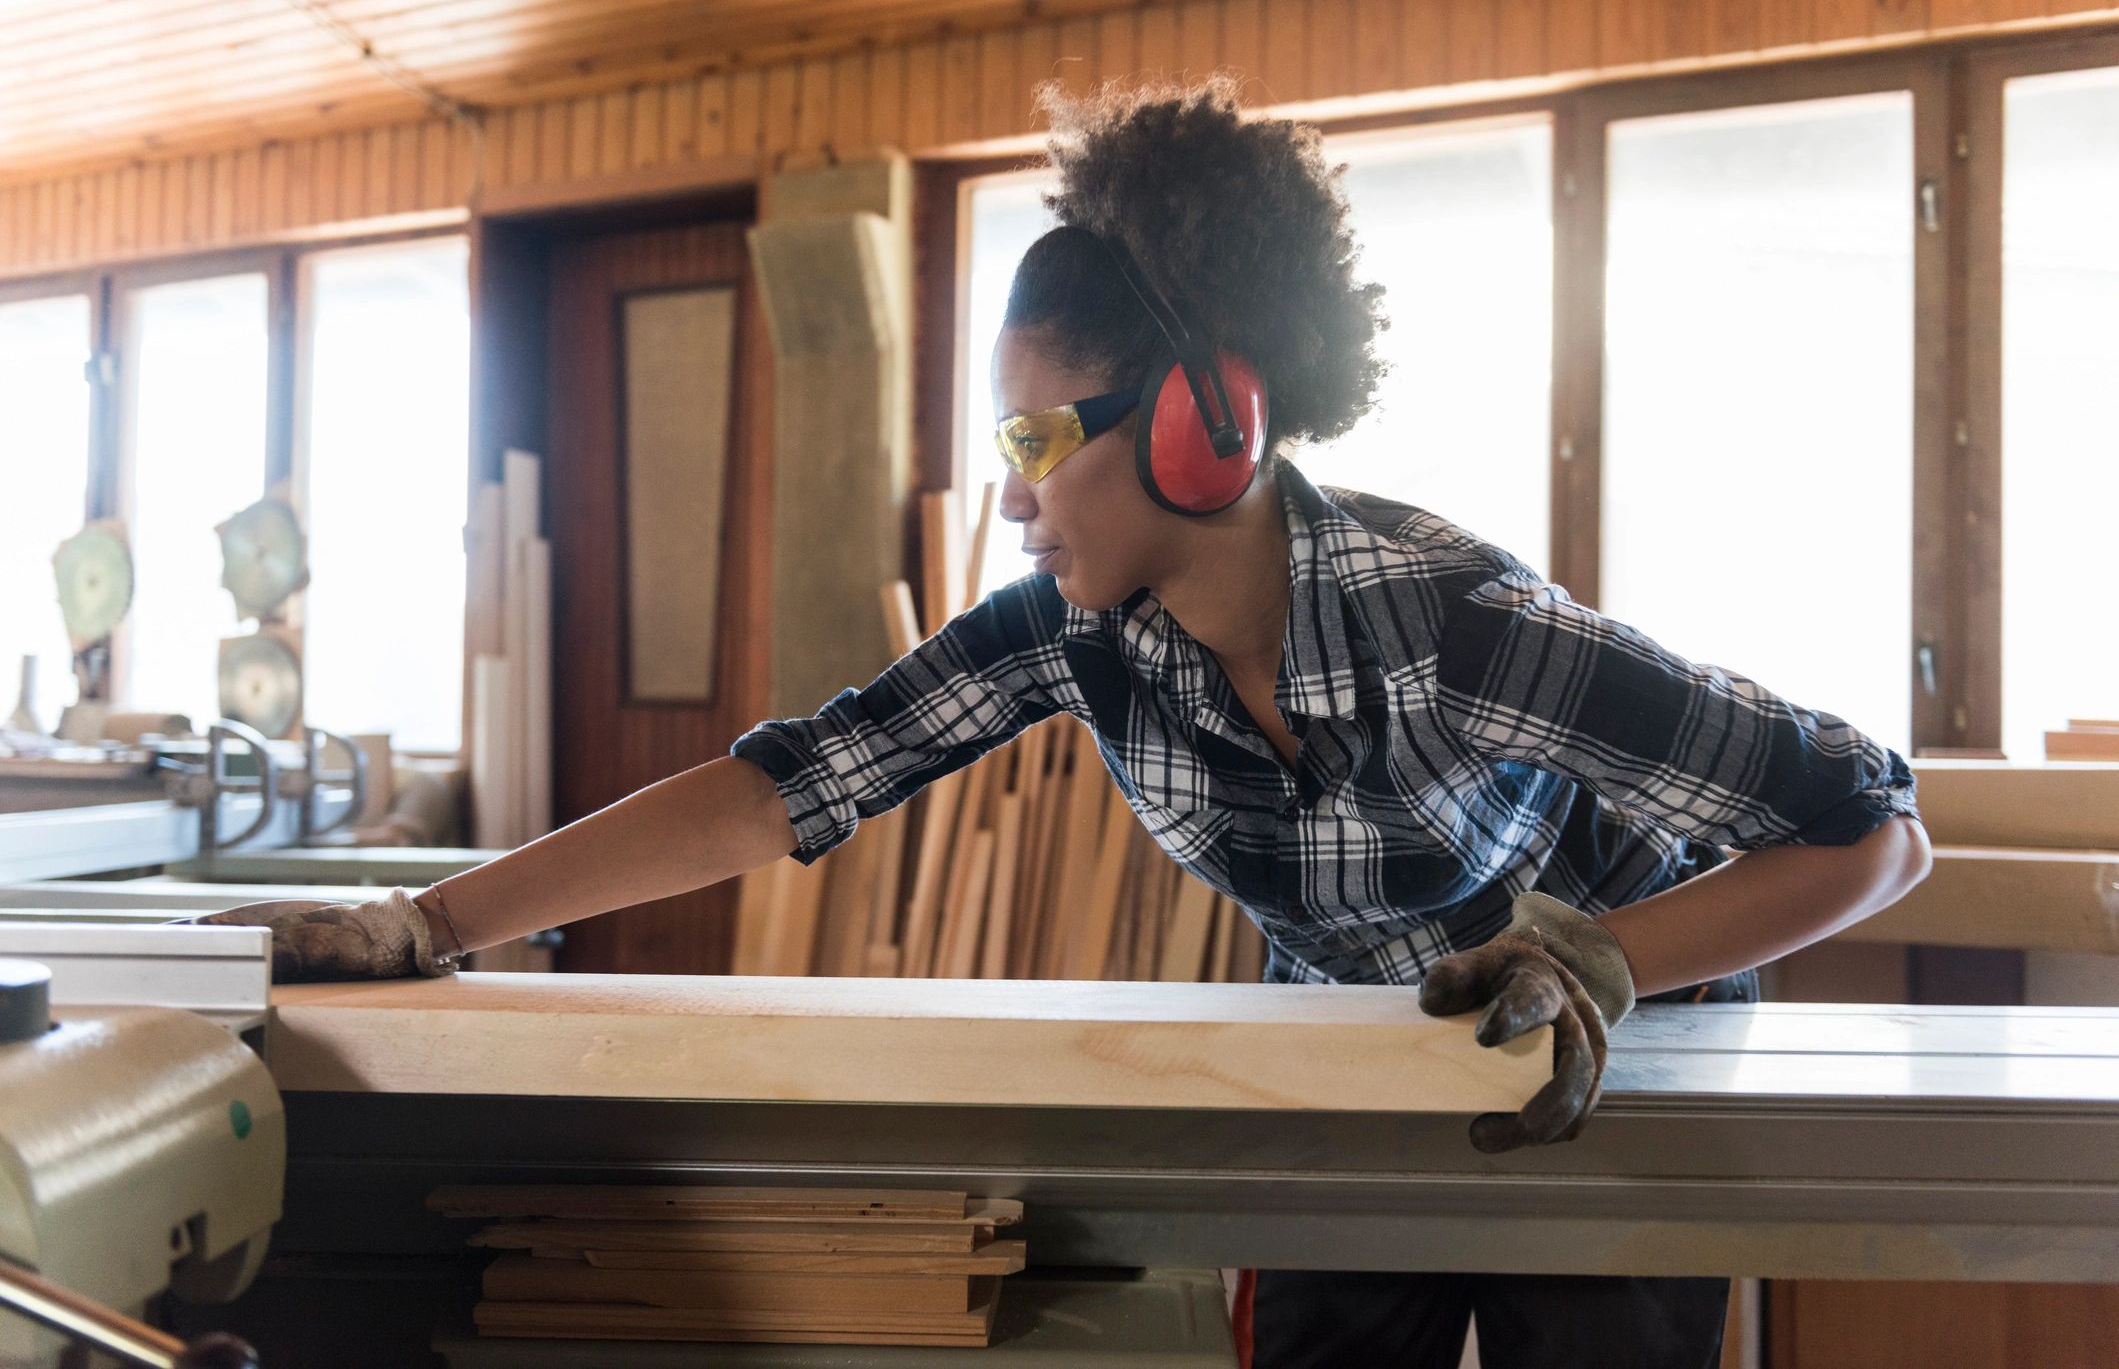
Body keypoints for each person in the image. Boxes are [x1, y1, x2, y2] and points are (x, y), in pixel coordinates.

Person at [202, 79, 1931, 1368]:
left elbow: (1870, 823)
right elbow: (791, 786)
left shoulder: (1453, 622)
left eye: (1036, 442)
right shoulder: (1080, 638)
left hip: (1616, 1049)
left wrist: (1601, 954)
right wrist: (433, 919)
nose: (1012, 497)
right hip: (1364, 1048)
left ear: (1203, 426)